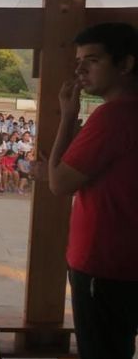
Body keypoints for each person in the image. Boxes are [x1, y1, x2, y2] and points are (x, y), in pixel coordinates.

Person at [43, 23, 138, 359]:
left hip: (104, 265)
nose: (80, 70)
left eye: (92, 60)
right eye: (78, 61)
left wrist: (68, 117)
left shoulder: (113, 117)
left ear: (125, 65)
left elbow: (58, 182)